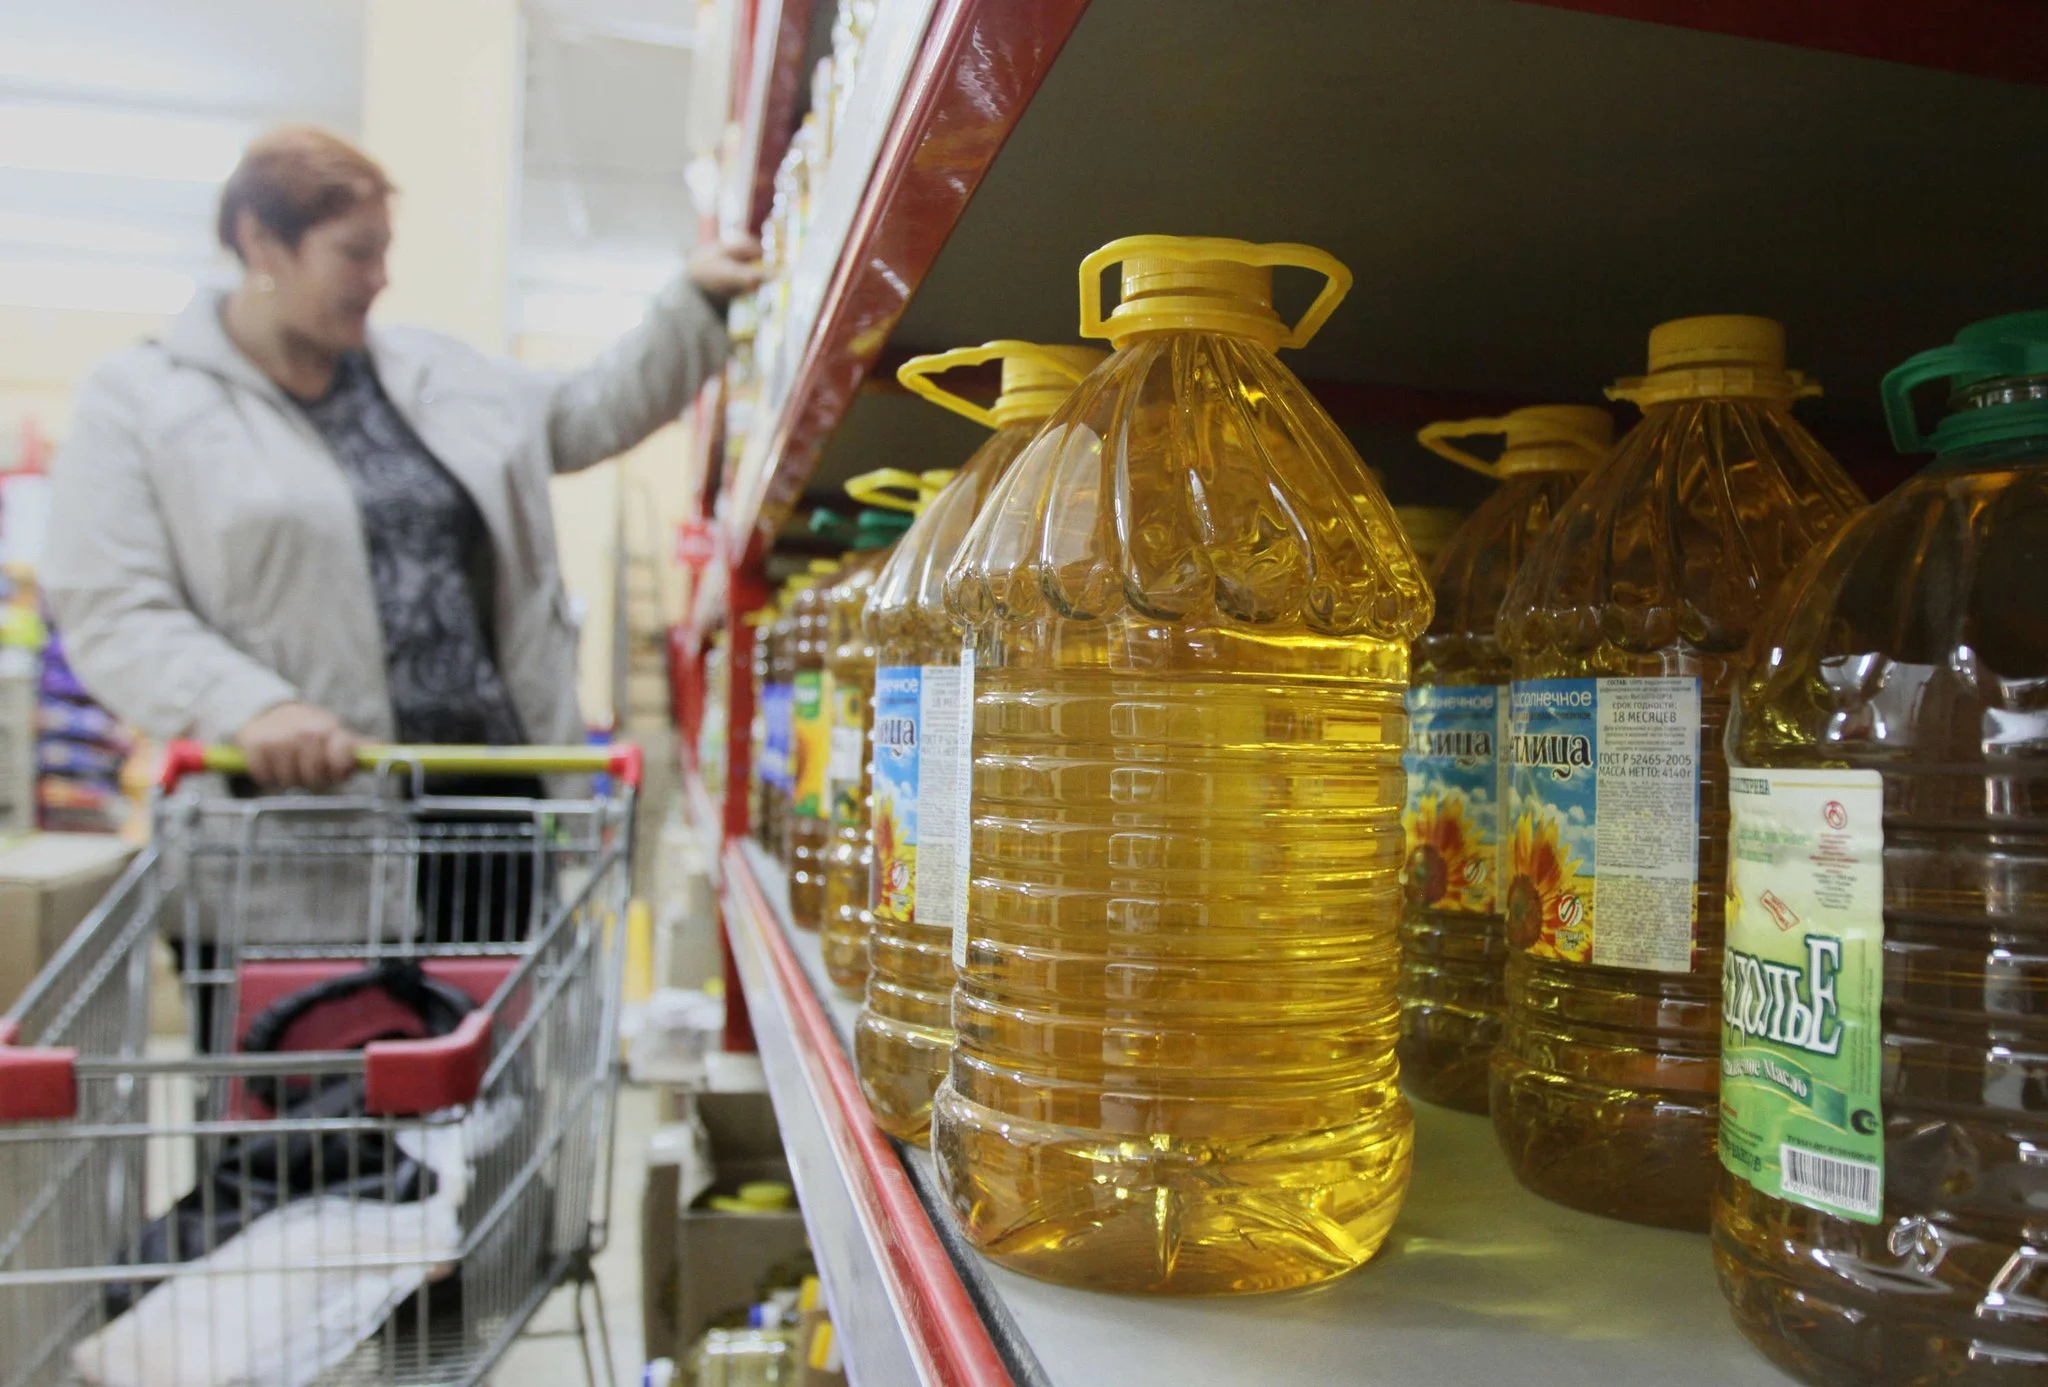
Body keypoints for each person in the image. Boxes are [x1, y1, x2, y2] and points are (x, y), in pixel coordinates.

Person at [43, 126, 758, 978]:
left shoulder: (429, 375)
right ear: (260, 241)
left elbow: (581, 415)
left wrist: (693, 307)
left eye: (384, 251)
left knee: (495, 1096)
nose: (380, 276)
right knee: (313, 1102)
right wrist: (247, 706)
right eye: (355, 252)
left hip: (487, 822)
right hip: (303, 837)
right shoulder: (142, 404)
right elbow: (114, 605)